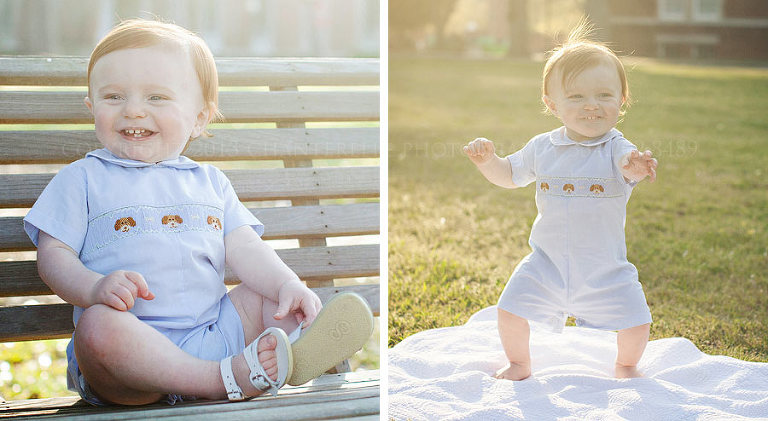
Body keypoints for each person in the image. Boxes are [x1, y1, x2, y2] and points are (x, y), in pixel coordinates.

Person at [23, 19, 372, 405]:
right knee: (96, 327)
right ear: (92, 107)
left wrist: (286, 285)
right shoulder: (82, 179)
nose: (134, 111)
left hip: (215, 334)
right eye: (114, 97)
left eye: (156, 98)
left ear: (200, 118)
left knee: (271, 302)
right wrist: (92, 288)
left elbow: (245, 247)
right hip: (133, 356)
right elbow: (53, 257)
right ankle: (222, 379)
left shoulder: (209, 181)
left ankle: (292, 355)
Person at [463, 22, 658, 381]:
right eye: (576, 97)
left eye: (604, 95)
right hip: (546, 262)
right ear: (552, 104)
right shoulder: (543, 147)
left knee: (637, 321)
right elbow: (509, 175)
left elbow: (627, 166)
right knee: (508, 311)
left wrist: (636, 166)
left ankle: (626, 366)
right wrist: (488, 162)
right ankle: (520, 362)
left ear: (622, 100)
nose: (591, 106)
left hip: (604, 267)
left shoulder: (617, 148)